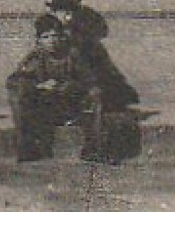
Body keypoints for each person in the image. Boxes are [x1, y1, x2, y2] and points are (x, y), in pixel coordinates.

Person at [6, 13, 106, 163]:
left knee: (96, 96)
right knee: (18, 96)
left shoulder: (72, 56)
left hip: (71, 104)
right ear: (38, 41)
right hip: (45, 108)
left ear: (61, 37)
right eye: (46, 37)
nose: (51, 41)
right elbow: (14, 81)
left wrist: (71, 85)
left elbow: (90, 81)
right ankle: (27, 148)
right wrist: (39, 86)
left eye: (55, 36)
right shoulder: (36, 57)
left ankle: (93, 149)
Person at [47, 0, 139, 112]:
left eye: (64, 11)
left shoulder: (83, 26)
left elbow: (99, 33)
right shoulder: (57, 29)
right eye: (58, 11)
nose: (62, 14)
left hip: (92, 72)